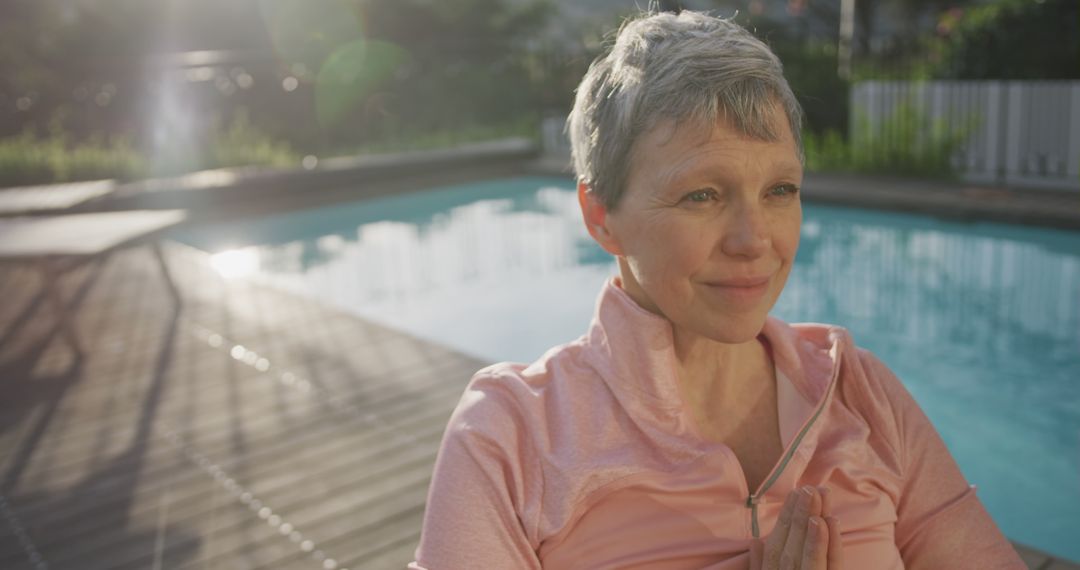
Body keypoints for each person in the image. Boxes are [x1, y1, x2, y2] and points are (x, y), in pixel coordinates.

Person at [410, 10, 1024, 570]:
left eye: (780, 190)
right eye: (702, 195)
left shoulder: (861, 394)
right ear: (601, 217)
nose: (753, 239)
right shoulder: (514, 436)